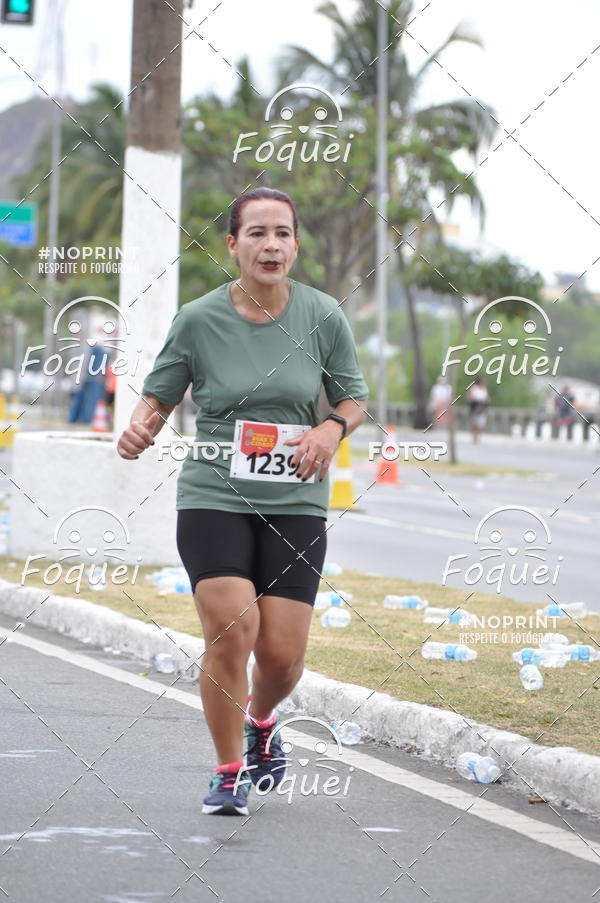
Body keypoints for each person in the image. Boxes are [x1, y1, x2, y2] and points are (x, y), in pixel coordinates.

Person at [116, 187, 369, 816]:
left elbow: (353, 399)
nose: (271, 245)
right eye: (256, 233)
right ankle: (228, 770)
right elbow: (160, 394)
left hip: (296, 498)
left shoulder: (321, 315)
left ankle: (261, 720)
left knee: (281, 657)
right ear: (233, 244)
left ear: (296, 245)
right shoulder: (200, 318)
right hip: (214, 491)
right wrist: (142, 424)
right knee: (232, 630)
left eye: (282, 233)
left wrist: (329, 429)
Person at [466, 377, 489, 444]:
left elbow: (486, 398)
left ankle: (478, 436)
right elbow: (469, 398)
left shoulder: (484, 389)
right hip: (474, 406)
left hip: (482, 407)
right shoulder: (473, 389)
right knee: (474, 422)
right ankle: (474, 436)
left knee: (481, 422)